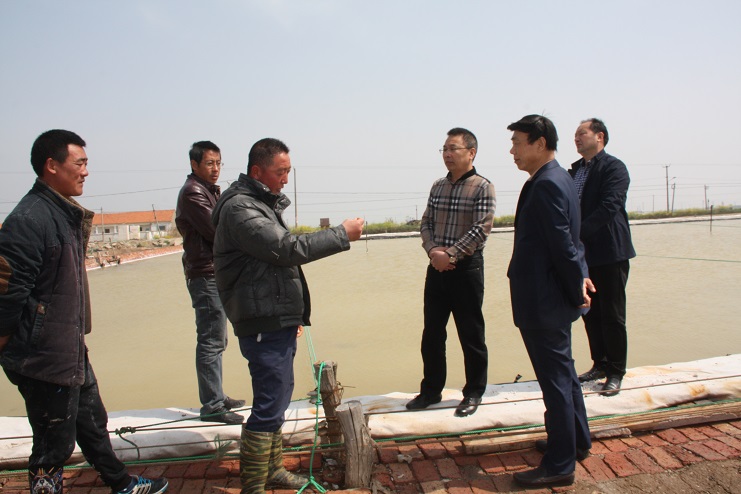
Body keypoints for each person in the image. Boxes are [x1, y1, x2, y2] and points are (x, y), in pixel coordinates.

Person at [0, 130, 168, 493]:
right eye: (80, 163)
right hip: (43, 358)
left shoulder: (60, 213)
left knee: (92, 422)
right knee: (52, 445)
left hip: (68, 347)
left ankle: (121, 484)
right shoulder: (28, 220)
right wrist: (11, 350)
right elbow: (7, 296)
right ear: (51, 165)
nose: (86, 172)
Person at [211, 137, 364, 493]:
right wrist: (341, 234)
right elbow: (285, 248)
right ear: (257, 172)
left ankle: (273, 470)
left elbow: (273, 262)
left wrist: (290, 315)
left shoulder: (259, 203)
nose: (285, 179)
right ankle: (254, 486)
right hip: (261, 319)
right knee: (269, 401)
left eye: (288, 172)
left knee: (278, 396)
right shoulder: (240, 208)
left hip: (273, 316)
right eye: (280, 172)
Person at [506, 115, 594, 488]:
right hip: (552, 295)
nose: (512, 150)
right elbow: (573, 240)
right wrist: (580, 277)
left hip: (544, 300)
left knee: (555, 381)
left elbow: (563, 245)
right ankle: (576, 441)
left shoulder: (546, 184)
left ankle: (559, 464)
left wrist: (577, 288)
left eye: (518, 142)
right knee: (565, 374)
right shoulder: (558, 178)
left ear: (540, 143)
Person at [406, 127, 496, 418]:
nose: (447, 154)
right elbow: (426, 223)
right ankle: (431, 391)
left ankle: (474, 392)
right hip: (436, 268)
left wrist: (451, 254)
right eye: (444, 149)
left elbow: (481, 229)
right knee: (432, 334)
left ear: (471, 153)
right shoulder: (438, 186)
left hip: (467, 269)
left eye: (453, 149)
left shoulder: (482, 186)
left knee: (471, 334)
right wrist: (433, 251)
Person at [175, 141, 245, 425]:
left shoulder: (208, 190)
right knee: (211, 340)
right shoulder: (193, 192)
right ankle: (212, 405)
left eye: (218, 163)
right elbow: (218, 230)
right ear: (194, 165)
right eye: (209, 163)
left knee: (218, 338)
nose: (215, 169)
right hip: (205, 275)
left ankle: (217, 395)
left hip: (214, 273)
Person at [571, 118, 636, 396]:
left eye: (581, 133)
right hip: (584, 255)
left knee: (612, 314)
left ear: (599, 136)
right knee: (590, 313)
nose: (576, 138)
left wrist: (577, 233)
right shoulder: (575, 170)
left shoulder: (614, 167)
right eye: (575, 135)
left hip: (610, 252)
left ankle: (616, 372)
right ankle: (600, 364)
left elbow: (610, 206)